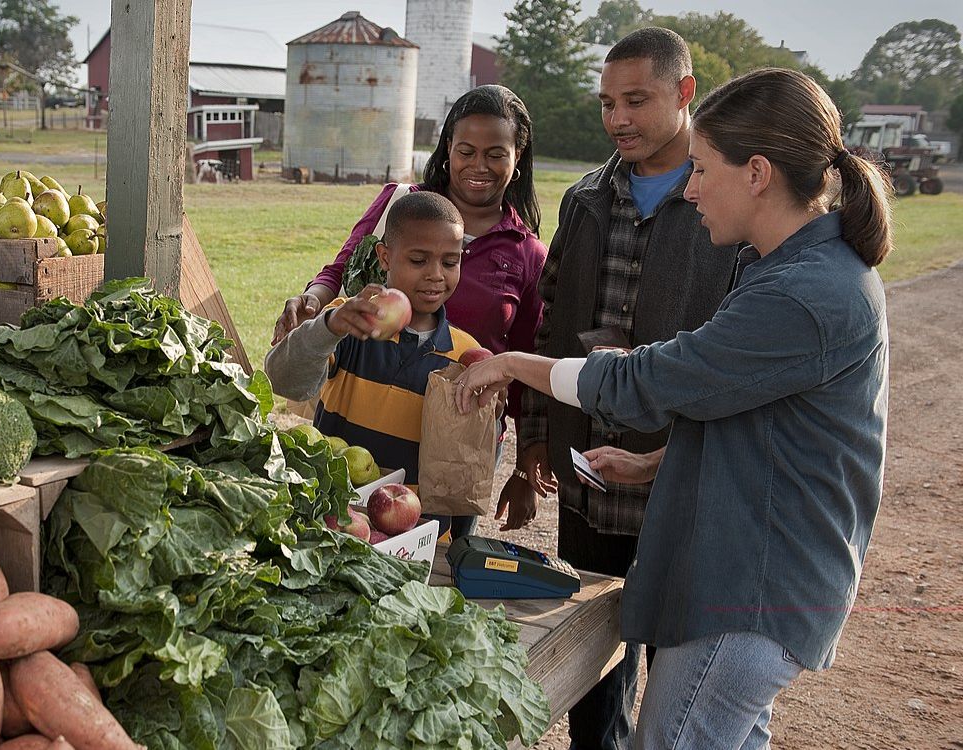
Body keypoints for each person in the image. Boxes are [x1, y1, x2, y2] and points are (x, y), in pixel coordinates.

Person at [457, 66, 892, 749]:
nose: (690, 188)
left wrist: (512, 365)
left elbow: (648, 382)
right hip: (757, 582)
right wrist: (659, 459)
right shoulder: (791, 268)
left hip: (748, 592)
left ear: (756, 173)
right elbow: (757, 414)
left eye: (700, 169)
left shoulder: (803, 293)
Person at [511, 27, 740, 750]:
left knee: (676, 662)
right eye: (608, 102)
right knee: (593, 658)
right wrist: (541, 435)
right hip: (587, 470)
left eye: (636, 100)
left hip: (683, 472)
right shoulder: (583, 199)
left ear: (685, 93)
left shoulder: (725, 208)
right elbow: (549, 324)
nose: (618, 119)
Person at [272, 84, 549, 537]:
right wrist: (317, 309)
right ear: (447, 150)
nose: (479, 165)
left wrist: (525, 465)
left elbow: (524, 366)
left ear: (517, 158)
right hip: (364, 390)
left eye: (496, 153)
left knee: (435, 551)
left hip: (454, 436)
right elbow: (338, 268)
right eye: (466, 150)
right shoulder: (401, 204)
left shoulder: (527, 253)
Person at [264, 192, 481, 501]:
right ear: (384, 257)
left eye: (450, 262)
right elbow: (284, 381)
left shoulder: (464, 354)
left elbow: (465, 456)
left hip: (415, 526)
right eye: (418, 260)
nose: (436, 274)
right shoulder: (347, 321)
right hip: (333, 509)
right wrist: (329, 327)